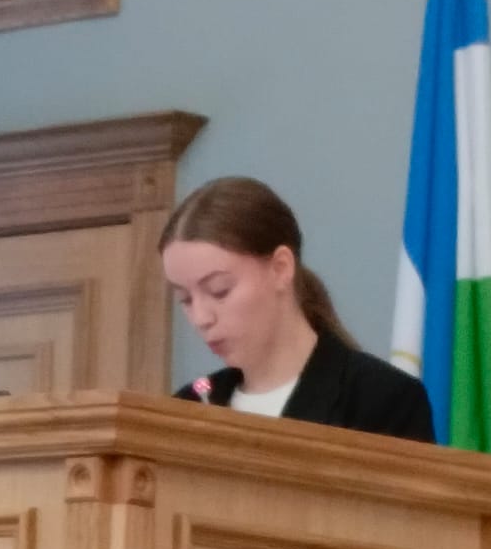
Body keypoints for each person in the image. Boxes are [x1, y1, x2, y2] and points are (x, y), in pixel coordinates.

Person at [160, 176, 435, 443]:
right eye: (185, 299)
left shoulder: (382, 400)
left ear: (281, 268)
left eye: (219, 290)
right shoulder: (186, 407)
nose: (201, 318)